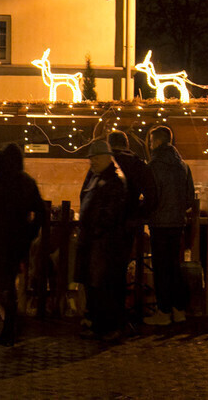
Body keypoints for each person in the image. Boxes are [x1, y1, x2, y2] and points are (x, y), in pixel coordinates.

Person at [0, 143, 47, 347]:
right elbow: (40, 211)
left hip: (2, 241)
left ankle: (12, 322)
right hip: (16, 242)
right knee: (6, 284)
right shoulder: (27, 182)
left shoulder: (1, 182)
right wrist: (30, 232)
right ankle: (11, 324)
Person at [74, 139, 128, 341]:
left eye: (96, 157)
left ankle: (108, 326)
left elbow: (109, 213)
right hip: (96, 242)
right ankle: (99, 324)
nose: (92, 161)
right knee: (95, 286)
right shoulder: (100, 177)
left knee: (104, 286)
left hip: (103, 243)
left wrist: (95, 230)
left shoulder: (112, 180)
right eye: (91, 158)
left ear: (108, 157)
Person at [144, 125, 195, 326]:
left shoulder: (154, 165)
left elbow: (151, 197)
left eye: (150, 141)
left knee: (162, 268)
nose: (149, 145)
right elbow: (190, 199)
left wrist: (147, 212)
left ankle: (163, 311)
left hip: (159, 223)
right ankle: (179, 310)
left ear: (156, 142)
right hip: (177, 223)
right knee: (174, 267)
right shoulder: (183, 166)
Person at [107, 130, 158, 326]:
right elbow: (152, 195)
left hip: (108, 225)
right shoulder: (138, 164)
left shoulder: (107, 162)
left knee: (107, 270)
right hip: (128, 224)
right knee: (121, 267)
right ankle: (124, 310)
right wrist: (137, 214)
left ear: (109, 144)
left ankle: (109, 314)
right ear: (126, 144)